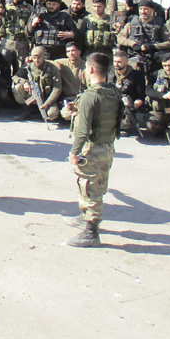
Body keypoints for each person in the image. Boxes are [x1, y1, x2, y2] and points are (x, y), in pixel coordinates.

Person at [65, 52, 122, 248]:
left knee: (89, 189)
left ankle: (91, 231)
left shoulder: (90, 96)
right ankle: (86, 217)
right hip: (107, 146)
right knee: (98, 185)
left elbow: (83, 131)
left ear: (89, 69)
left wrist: (74, 152)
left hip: (93, 149)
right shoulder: (113, 92)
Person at [12, 46, 62, 122]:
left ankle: (42, 112)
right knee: (18, 87)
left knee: (52, 114)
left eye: (39, 58)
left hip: (47, 97)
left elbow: (57, 89)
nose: (36, 60)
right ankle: (27, 110)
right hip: (33, 95)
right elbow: (15, 77)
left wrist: (47, 103)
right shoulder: (28, 66)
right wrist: (25, 82)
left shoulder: (52, 68)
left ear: (43, 57)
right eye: (34, 58)